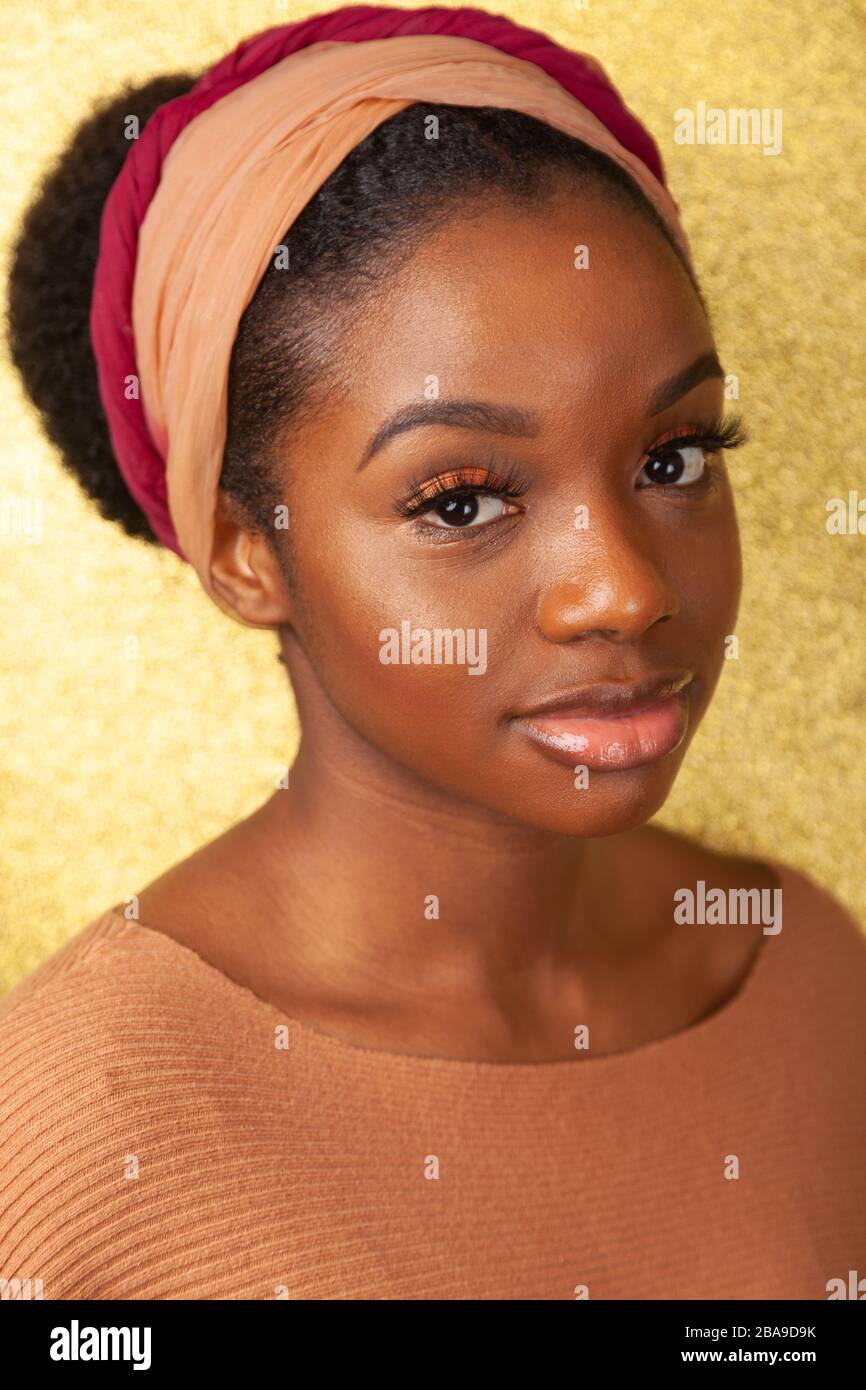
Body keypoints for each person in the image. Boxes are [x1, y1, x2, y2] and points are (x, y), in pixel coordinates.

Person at [2, 4, 864, 1301]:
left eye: (670, 457)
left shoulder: (800, 968)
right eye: (459, 499)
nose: (622, 590)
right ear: (246, 549)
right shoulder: (71, 1132)